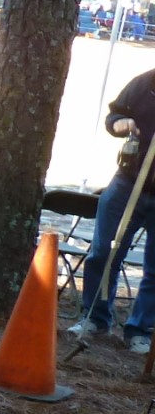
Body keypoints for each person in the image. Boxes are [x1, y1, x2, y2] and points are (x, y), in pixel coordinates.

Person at [69, 69, 155, 353]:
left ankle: (139, 330)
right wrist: (120, 122)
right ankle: (95, 318)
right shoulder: (147, 82)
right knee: (103, 254)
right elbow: (114, 115)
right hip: (126, 184)